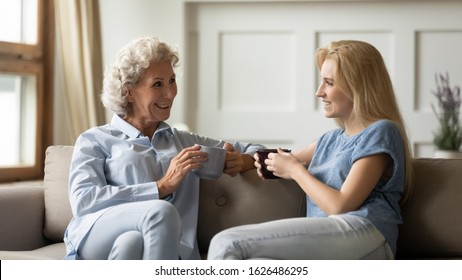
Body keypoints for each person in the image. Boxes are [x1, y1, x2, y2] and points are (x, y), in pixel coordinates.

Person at [207, 40, 414, 260]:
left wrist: (296, 171)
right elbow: (282, 159)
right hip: (329, 240)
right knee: (258, 263)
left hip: (365, 231)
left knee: (226, 243)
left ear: (358, 87)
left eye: (329, 83)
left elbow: (341, 205)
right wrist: (243, 161)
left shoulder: (381, 131)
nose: (319, 92)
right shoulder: (329, 140)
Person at [63, 36, 265, 260]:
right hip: (94, 236)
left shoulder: (183, 142)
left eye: (172, 80)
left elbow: (258, 150)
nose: (170, 93)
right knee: (160, 212)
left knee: (131, 243)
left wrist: (243, 160)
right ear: (129, 91)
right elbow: (84, 200)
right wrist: (160, 187)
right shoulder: (95, 139)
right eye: (157, 84)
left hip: (155, 247)